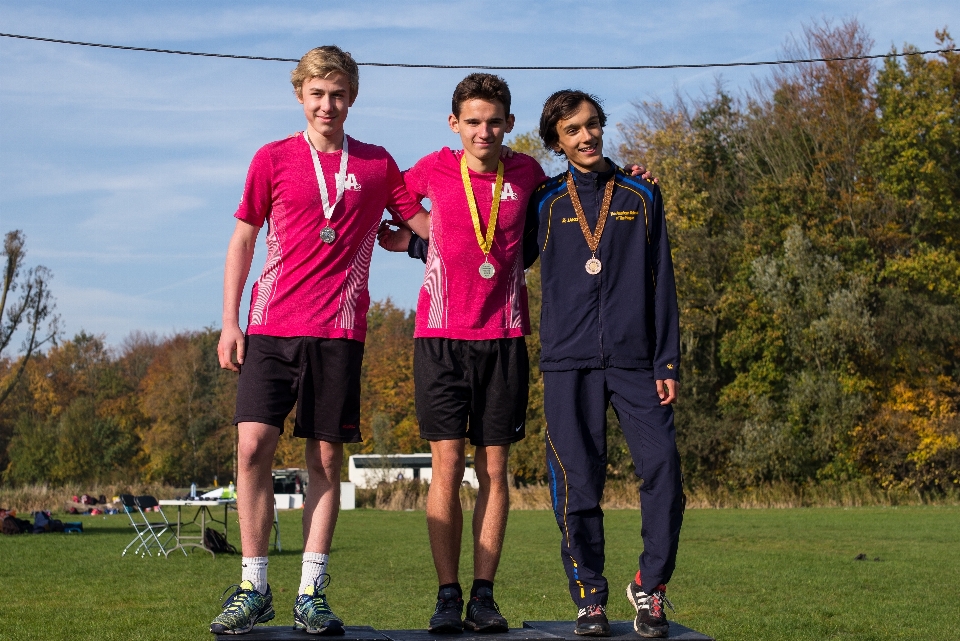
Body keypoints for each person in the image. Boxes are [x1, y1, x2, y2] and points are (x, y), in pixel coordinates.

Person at [212, 45, 429, 635]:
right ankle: (253, 585)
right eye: (317, 94)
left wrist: (487, 208)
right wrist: (230, 321)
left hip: (338, 330)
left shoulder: (379, 164)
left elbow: (425, 227)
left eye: (338, 94)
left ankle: (311, 591)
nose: (327, 105)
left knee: (326, 458)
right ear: (300, 96)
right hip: (270, 326)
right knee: (253, 448)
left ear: (351, 97)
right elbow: (242, 240)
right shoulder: (273, 158)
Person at [524, 90, 683, 639]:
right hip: (567, 362)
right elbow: (496, 255)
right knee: (577, 485)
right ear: (556, 142)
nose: (587, 137)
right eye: (572, 131)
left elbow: (662, 280)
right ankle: (589, 597)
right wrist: (421, 244)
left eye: (592, 125)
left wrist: (668, 360)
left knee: (663, 469)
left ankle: (651, 589)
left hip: (638, 361)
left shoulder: (641, 194)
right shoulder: (544, 202)